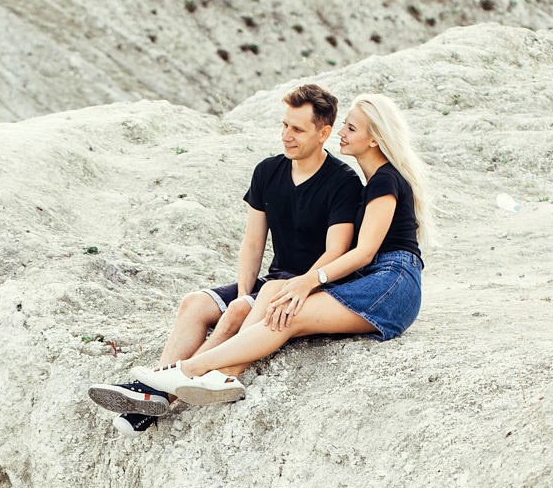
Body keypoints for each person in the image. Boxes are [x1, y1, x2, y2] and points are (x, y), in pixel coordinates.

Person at [88, 83, 361, 431]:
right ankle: (155, 394)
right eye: (283, 125)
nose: (285, 136)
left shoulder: (343, 182)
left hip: (308, 285)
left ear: (323, 133)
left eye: (297, 129)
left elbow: (336, 251)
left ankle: (155, 389)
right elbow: (253, 242)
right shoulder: (267, 171)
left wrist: (278, 293)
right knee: (194, 303)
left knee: (239, 310)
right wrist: (247, 292)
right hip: (271, 281)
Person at [127, 93, 430, 406]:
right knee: (280, 306)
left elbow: (364, 253)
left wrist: (308, 280)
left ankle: (188, 369)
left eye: (351, 128)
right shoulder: (373, 182)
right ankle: (220, 376)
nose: (342, 132)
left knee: (289, 313)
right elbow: (255, 242)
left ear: (374, 139)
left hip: (393, 280)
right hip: (377, 279)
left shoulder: (381, 181)